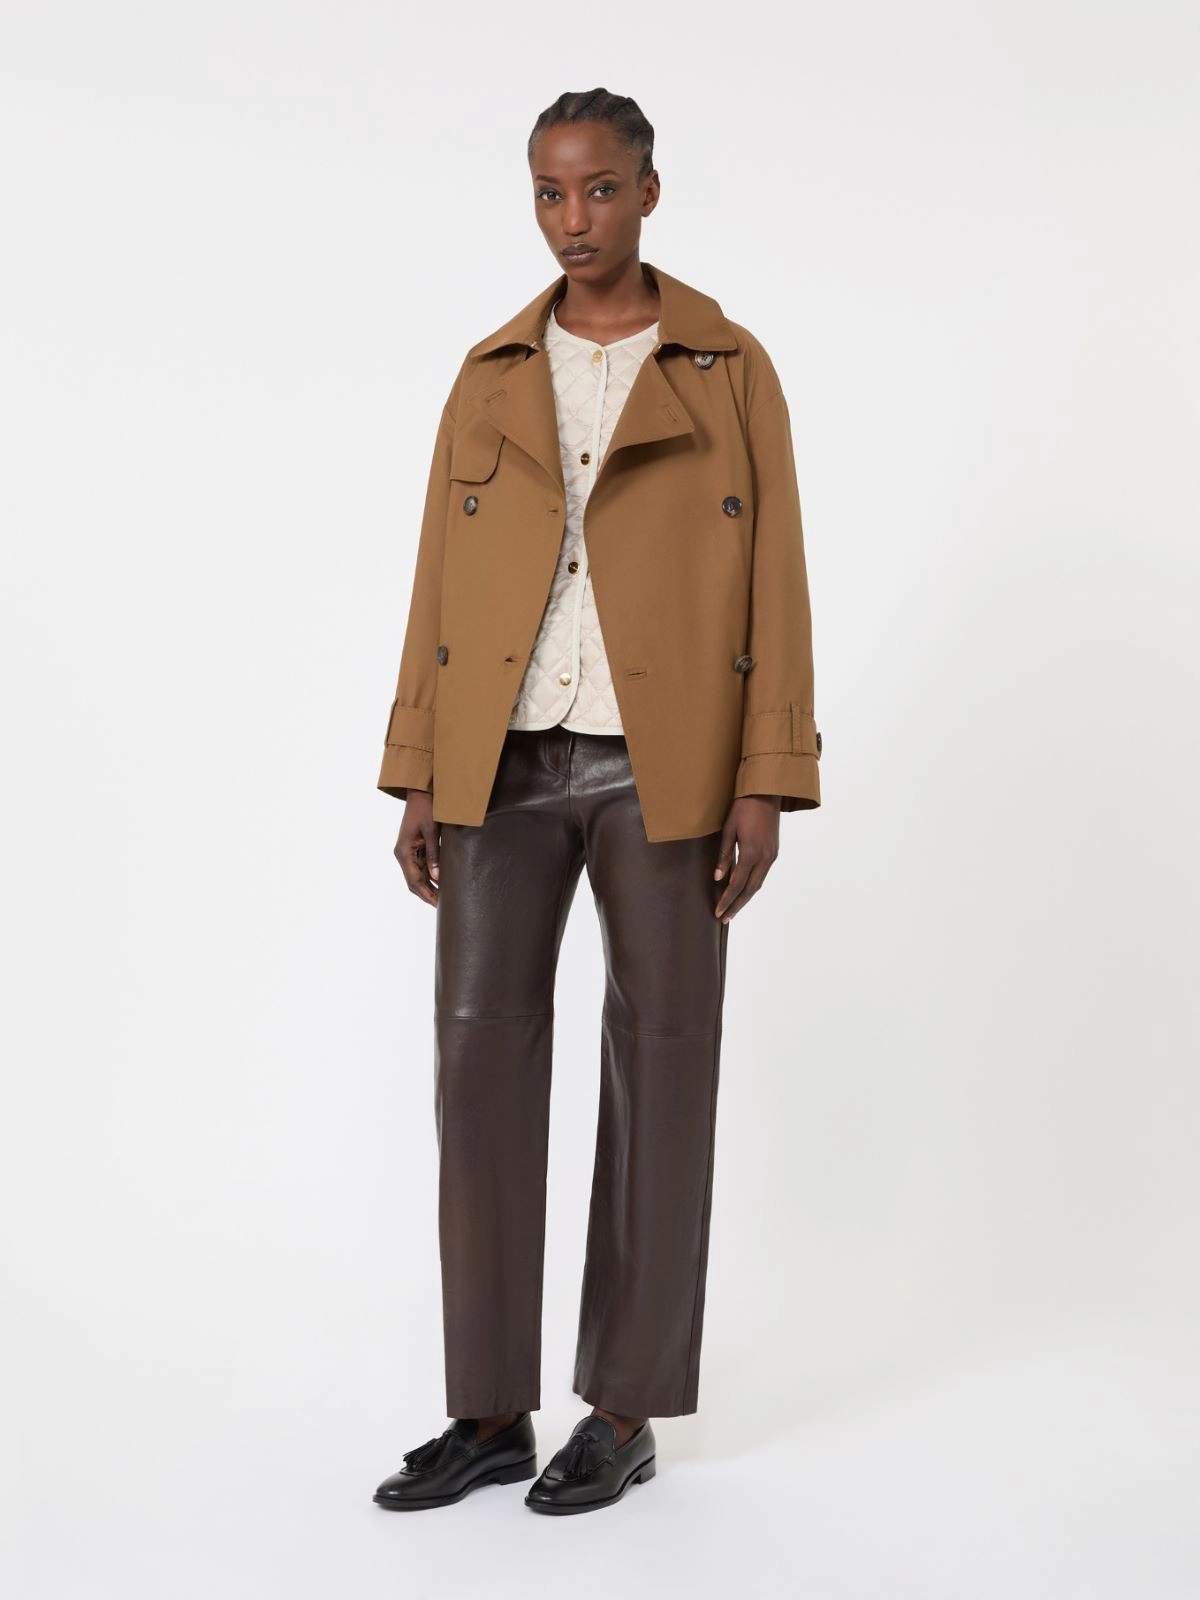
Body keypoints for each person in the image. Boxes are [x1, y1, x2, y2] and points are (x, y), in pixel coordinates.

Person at [371, 87, 822, 1516]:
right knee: (476, 1065)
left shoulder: (727, 366)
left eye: (601, 190)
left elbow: (777, 579)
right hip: (501, 757)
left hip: (665, 762)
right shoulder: (491, 369)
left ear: (649, 191)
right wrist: (419, 765)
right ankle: (489, 1410)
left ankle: (621, 1410)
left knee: (664, 1063)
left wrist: (767, 777)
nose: (575, 220)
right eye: (551, 194)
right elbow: (440, 578)